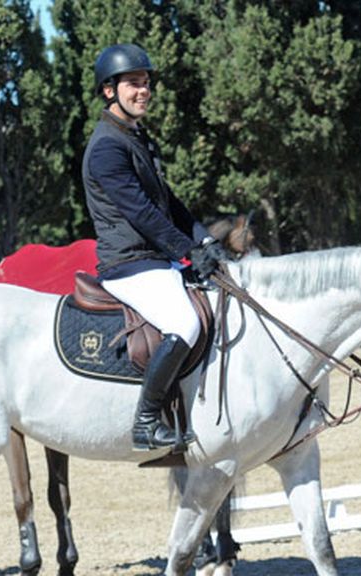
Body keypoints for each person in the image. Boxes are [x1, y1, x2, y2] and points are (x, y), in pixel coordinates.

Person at [83, 43, 228, 452]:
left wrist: (204, 240)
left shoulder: (135, 138)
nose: (143, 90)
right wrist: (187, 252)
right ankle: (145, 422)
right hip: (129, 263)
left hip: (155, 259)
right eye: (133, 83)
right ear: (110, 90)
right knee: (185, 323)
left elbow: (169, 202)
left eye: (146, 83)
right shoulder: (107, 148)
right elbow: (142, 213)